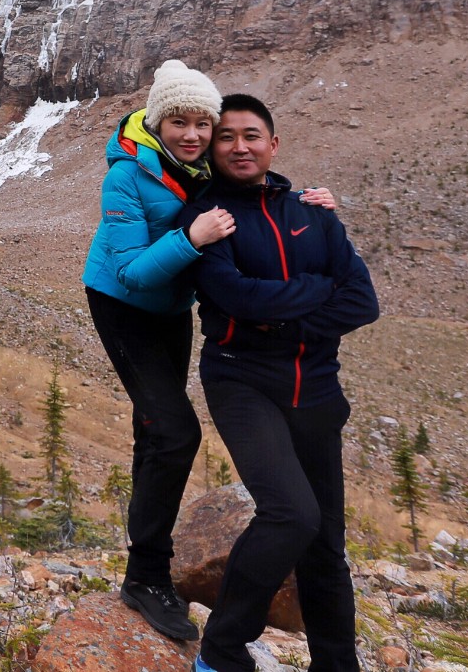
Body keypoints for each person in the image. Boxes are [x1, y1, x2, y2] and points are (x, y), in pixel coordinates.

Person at [81, 62, 335, 640]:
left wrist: (306, 202)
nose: (192, 134)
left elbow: (255, 190)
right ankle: (146, 577)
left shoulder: (200, 167)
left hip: (170, 311)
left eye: (202, 122)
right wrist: (190, 239)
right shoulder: (125, 175)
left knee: (155, 431)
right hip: (122, 304)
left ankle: (141, 571)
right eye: (178, 121)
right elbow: (131, 272)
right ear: (156, 119)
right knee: (175, 432)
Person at [188, 94, 379, 672]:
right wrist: (319, 291)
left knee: (326, 547)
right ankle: (221, 652)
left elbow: (363, 301)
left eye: (251, 135)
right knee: (292, 514)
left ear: (274, 144)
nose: (239, 146)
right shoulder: (205, 217)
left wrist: (278, 320)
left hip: (317, 390)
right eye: (226, 137)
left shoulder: (314, 211)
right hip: (243, 382)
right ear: (213, 150)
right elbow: (234, 297)